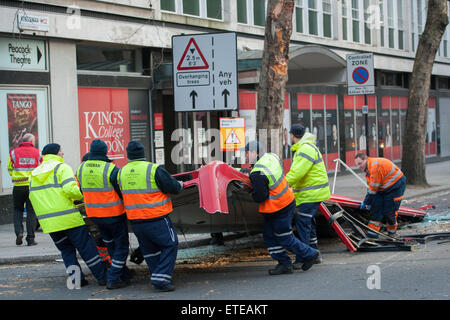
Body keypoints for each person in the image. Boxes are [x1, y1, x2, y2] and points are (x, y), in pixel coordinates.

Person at [28, 143, 107, 287]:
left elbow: (33, 198)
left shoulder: (33, 174)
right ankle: (103, 278)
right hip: (69, 218)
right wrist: (84, 197)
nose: (63, 154)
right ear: (56, 153)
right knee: (86, 248)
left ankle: (77, 280)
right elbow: (71, 190)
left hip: (49, 223)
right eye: (61, 151)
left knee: (66, 250)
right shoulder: (62, 168)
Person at [244, 141, 319, 275]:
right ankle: (284, 263)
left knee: (284, 237)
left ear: (254, 153)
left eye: (247, 153)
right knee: (269, 235)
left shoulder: (257, 173)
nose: (245, 156)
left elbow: (260, 197)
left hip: (278, 207)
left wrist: (250, 190)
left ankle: (310, 254)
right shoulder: (271, 157)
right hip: (286, 201)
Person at [118, 141, 184, 292]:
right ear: (143, 153)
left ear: (128, 155)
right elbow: (173, 187)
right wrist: (180, 184)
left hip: (136, 221)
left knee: (150, 250)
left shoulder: (121, 172)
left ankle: (157, 275)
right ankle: (160, 278)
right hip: (156, 218)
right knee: (170, 244)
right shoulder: (153, 169)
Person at [76, 139, 132, 290]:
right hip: (114, 215)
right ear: (105, 152)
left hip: (95, 215)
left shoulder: (81, 168)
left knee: (111, 245)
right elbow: (122, 191)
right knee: (121, 247)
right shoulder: (111, 169)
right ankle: (112, 277)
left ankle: (124, 275)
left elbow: (81, 190)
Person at [286, 124, 330, 268]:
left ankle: (303, 257)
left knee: (302, 224)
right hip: (312, 193)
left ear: (292, 135)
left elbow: (297, 172)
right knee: (308, 223)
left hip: (310, 194)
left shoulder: (304, 148)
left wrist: (281, 184)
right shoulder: (307, 147)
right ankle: (314, 253)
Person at [355, 153, 406, 236]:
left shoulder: (375, 167)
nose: (359, 166)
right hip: (382, 188)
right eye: (357, 164)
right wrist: (370, 202)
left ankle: (392, 233)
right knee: (375, 208)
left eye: (360, 163)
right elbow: (372, 188)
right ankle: (372, 234)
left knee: (389, 212)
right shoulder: (369, 168)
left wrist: (366, 202)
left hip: (396, 187)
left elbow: (373, 190)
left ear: (366, 160)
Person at [8, 133, 41, 246]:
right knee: (31, 211)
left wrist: (16, 176)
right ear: (31, 141)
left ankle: (19, 233)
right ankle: (31, 239)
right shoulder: (38, 153)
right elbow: (41, 169)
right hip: (32, 186)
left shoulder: (13, 152)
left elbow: (9, 168)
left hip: (18, 186)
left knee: (18, 210)